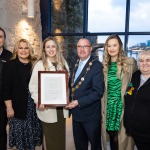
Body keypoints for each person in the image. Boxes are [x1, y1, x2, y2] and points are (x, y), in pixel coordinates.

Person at [29, 37, 69, 150]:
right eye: (48, 47)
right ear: (44, 50)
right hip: (47, 109)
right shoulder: (40, 65)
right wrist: (38, 101)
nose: (51, 49)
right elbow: (33, 87)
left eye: (53, 46)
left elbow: (67, 85)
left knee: (61, 138)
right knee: (51, 139)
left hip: (61, 108)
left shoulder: (63, 62)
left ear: (57, 47)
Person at [3, 39, 42, 150]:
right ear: (16, 50)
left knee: (32, 140)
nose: (24, 50)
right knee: (21, 141)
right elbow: (6, 89)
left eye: (26, 48)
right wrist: (9, 108)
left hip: (33, 108)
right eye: (21, 48)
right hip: (17, 108)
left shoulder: (35, 64)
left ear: (29, 50)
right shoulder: (10, 65)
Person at [67, 38, 104, 150]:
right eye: (79, 46)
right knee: (80, 145)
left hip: (91, 116)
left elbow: (98, 92)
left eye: (85, 46)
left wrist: (78, 102)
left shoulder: (96, 65)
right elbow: (72, 85)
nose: (82, 49)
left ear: (90, 49)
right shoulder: (75, 63)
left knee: (95, 146)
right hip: (76, 115)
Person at [101, 34, 137, 150]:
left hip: (122, 105)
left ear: (120, 46)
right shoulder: (104, 65)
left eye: (114, 45)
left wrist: (130, 99)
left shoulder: (130, 62)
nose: (111, 48)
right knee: (112, 137)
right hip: (108, 107)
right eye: (109, 46)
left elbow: (135, 83)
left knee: (122, 139)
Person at [124, 50, 150, 150]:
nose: (144, 63)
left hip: (147, 133)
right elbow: (130, 95)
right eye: (141, 60)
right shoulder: (135, 76)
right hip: (134, 130)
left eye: (148, 60)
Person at [0, 27, 12, 150]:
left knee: (1, 132)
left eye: (1, 36)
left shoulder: (9, 57)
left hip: (2, 103)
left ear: (4, 39)